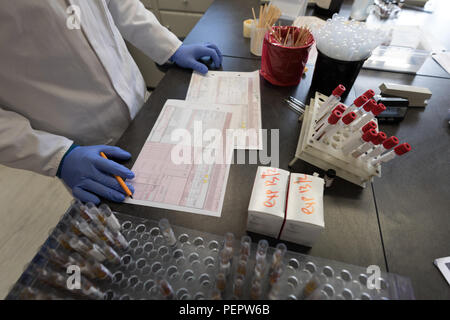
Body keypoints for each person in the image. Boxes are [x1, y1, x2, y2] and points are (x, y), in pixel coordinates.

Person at [0, 0, 223, 204]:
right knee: (134, 219)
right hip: (82, 144)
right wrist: (56, 156)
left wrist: (169, 47)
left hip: (139, 101)